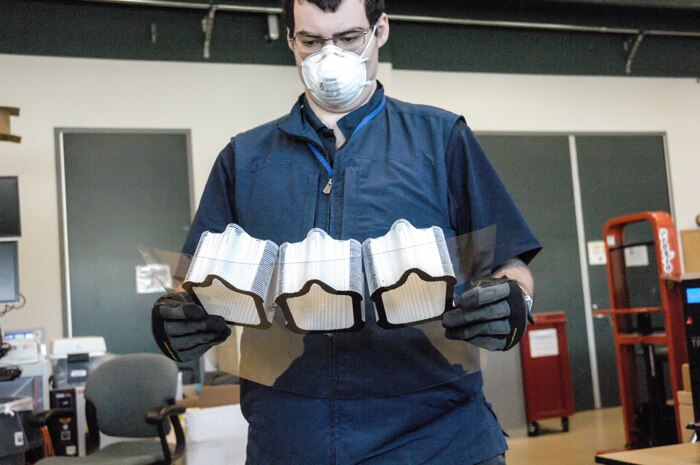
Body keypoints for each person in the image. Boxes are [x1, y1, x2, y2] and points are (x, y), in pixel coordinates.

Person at [151, 0, 541, 464]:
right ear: (291, 40)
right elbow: (193, 280)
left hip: (435, 440)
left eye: (349, 37)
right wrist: (176, 318)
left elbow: (509, 260)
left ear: (381, 30)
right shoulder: (244, 160)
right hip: (291, 441)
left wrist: (515, 299)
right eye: (312, 42)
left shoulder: (441, 139)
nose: (328, 58)